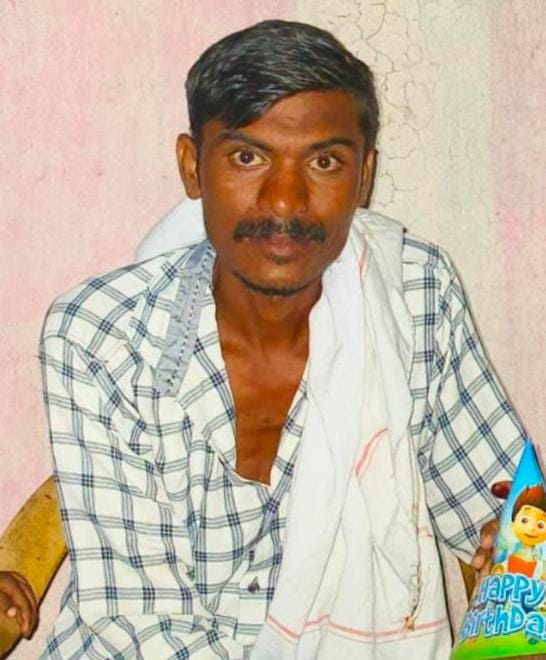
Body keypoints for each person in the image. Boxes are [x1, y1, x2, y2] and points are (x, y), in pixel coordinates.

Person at [0, 19, 526, 659]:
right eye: (248, 157)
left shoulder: (413, 295)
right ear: (192, 167)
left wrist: (514, 554)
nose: (284, 201)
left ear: (363, 177)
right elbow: (139, 620)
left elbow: (503, 513)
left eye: (324, 162)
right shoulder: (103, 331)